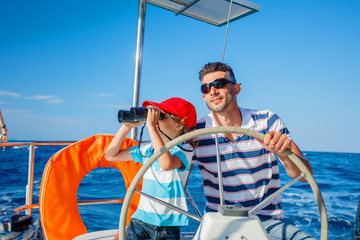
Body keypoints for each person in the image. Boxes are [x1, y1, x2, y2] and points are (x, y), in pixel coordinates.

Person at [193, 62, 315, 240]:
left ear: (237, 88)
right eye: (206, 87)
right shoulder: (196, 133)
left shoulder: (267, 121)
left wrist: (282, 152)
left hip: (266, 220)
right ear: (204, 96)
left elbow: (305, 176)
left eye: (219, 84)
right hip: (217, 221)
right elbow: (170, 167)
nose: (212, 91)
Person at [105, 97, 197, 240]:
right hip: (140, 219)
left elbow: (166, 164)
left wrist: (152, 127)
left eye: (161, 115)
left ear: (179, 125)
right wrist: (126, 127)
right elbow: (111, 156)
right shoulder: (148, 149)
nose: (156, 119)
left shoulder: (185, 149)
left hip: (168, 224)